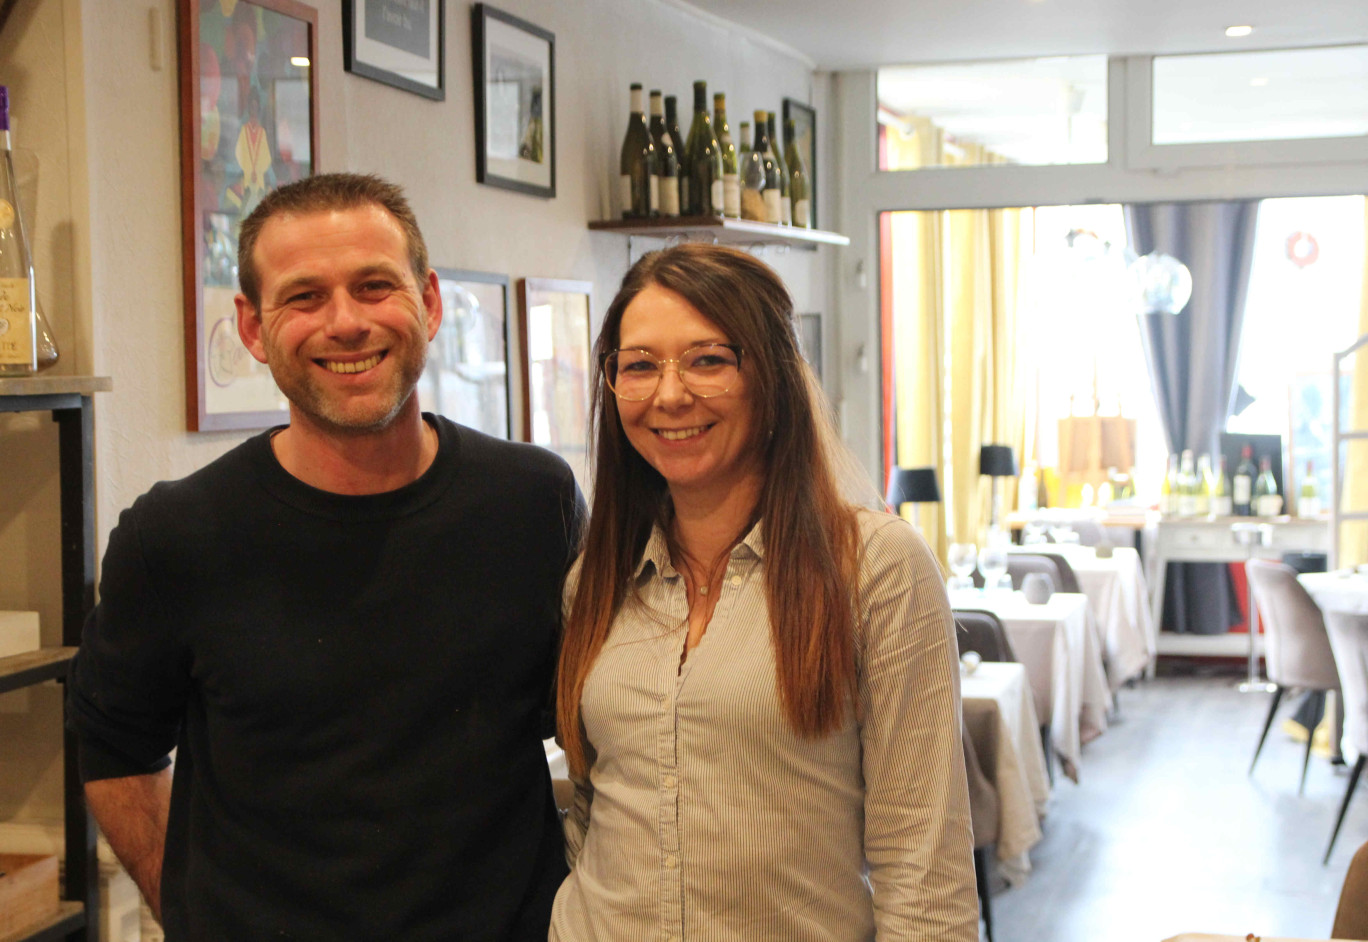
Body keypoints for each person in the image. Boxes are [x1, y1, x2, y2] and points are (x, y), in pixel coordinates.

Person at [68, 173, 581, 940]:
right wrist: (188, 913)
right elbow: (114, 745)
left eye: (375, 286)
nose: (345, 323)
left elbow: (593, 721)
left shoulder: (533, 501)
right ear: (251, 326)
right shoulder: (176, 536)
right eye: (304, 297)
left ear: (430, 302)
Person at [550, 243, 978, 940]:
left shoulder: (874, 568)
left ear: (771, 378)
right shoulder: (595, 583)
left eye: (708, 359)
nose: (669, 394)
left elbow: (924, 867)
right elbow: (591, 816)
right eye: (638, 366)